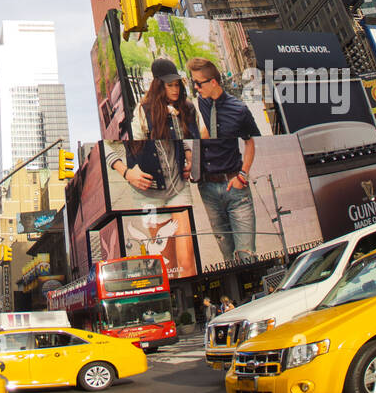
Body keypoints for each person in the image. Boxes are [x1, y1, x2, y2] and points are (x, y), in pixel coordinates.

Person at [188, 56, 260, 267]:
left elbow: (250, 144)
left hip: (235, 189)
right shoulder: (202, 100)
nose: (195, 87)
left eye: (198, 83)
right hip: (208, 189)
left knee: (246, 255)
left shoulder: (239, 110)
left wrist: (243, 175)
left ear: (213, 82)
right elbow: (208, 130)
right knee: (227, 258)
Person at [106, 58, 206, 203]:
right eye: (170, 85)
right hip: (148, 188)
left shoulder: (188, 108)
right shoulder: (145, 110)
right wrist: (127, 172)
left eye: (177, 85)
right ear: (159, 86)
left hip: (178, 184)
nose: (175, 90)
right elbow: (128, 143)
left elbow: (192, 139)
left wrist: (191, 158)